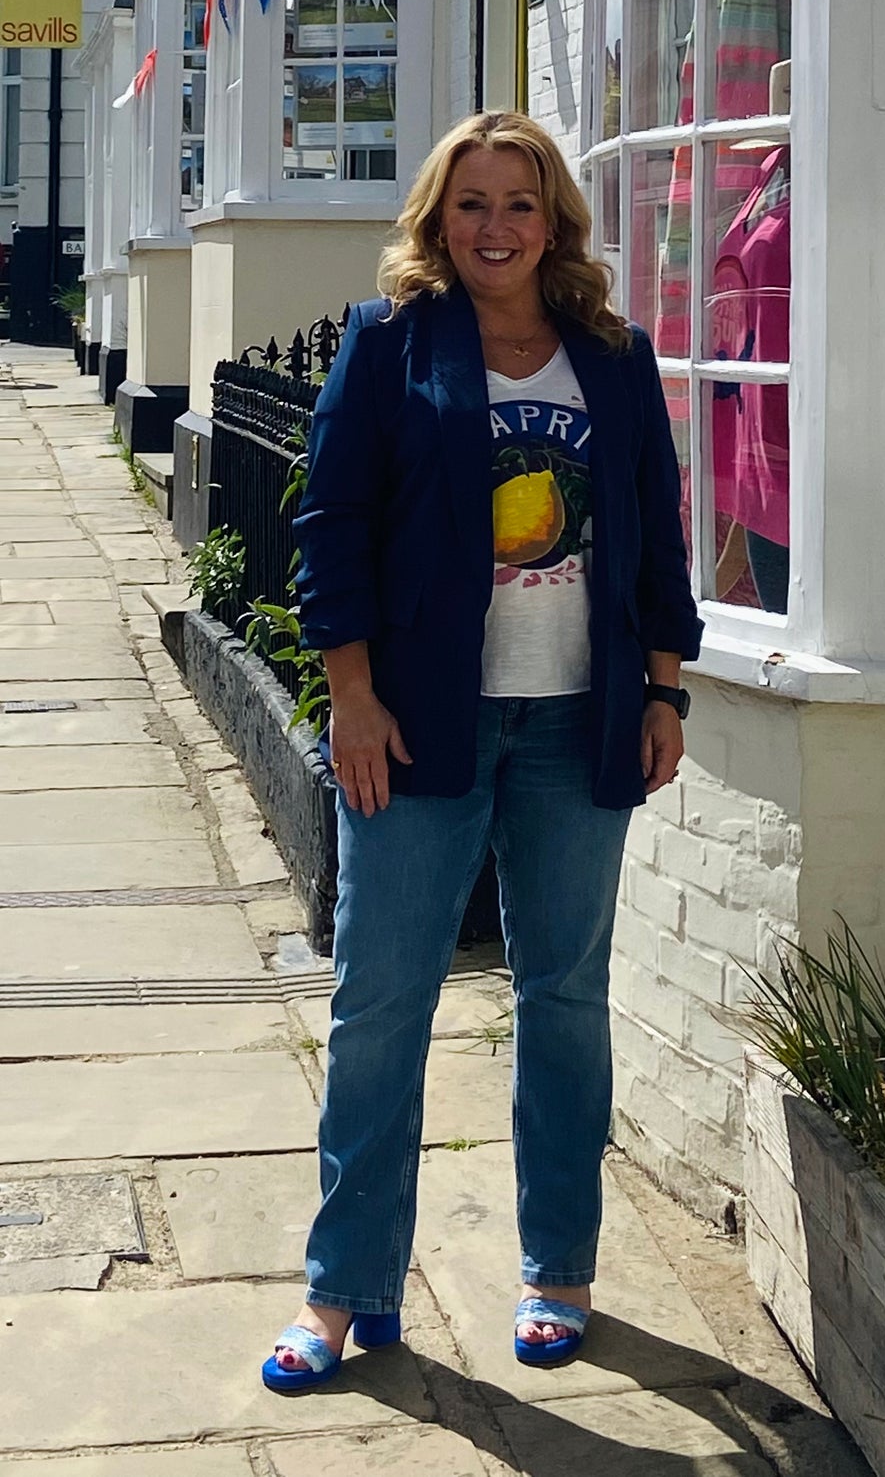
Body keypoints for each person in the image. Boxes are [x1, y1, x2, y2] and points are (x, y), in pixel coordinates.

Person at [261, 111, 700, 1394]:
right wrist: (350, 694)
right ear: (438, 221)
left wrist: (665, 690)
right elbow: (328, 523)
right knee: (377, 1006)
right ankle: (344, 1293)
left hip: (581, 720)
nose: (495, 226)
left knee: (562, 998)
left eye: (518, 203)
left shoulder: (611, 357)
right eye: (471, 204)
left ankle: (558, 1271)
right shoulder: (391, 343)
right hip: (419, 724)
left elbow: (656, 530)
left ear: (553, 220)